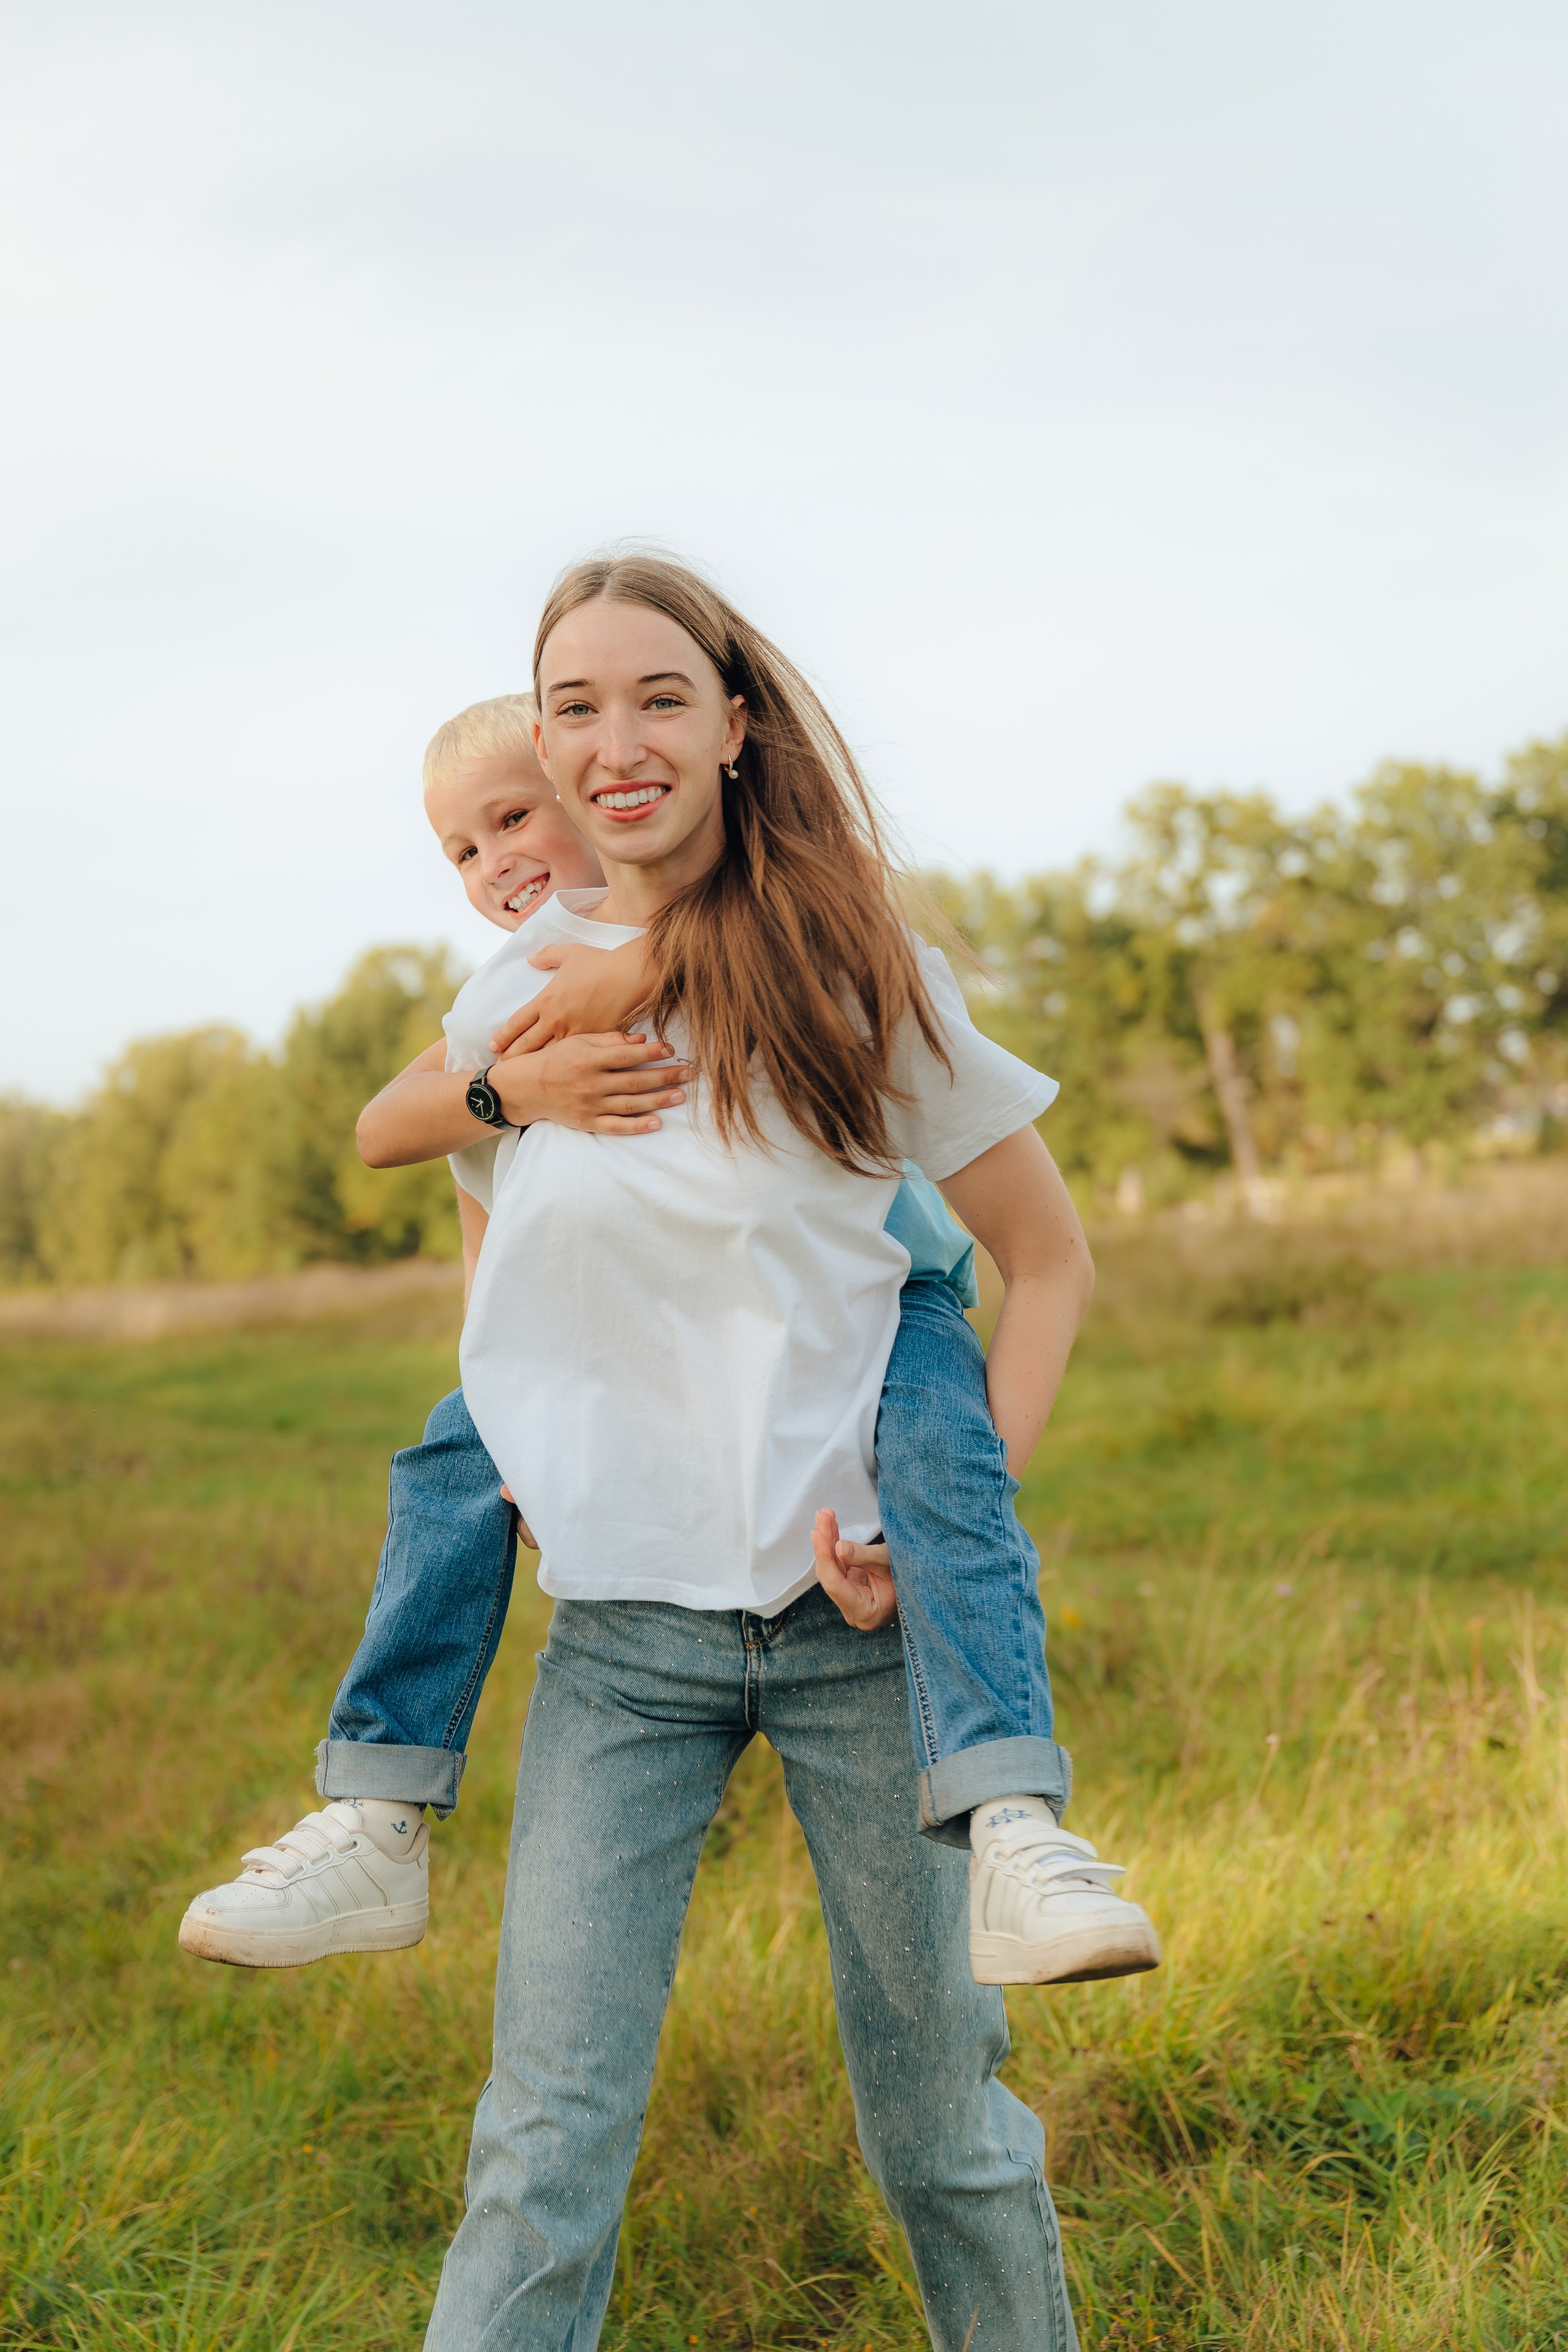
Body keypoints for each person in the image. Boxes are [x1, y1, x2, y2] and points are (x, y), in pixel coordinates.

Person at [178, 674, 1159, 1992]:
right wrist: (516, 1090)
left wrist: (648, 962)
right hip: (632, 1336)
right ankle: (378, 1805)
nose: (491, 862)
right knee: (450, 1463)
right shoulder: (517, 988)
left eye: (511, 818)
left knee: (947, 1464)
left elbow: (805, 921)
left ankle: (1011, 1814)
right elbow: (405, 1148)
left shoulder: (781, 916)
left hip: (886, 1294)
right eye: (460, 850)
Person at [423, 552, 1101, 2347]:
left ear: (735, 727)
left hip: (852, 1640)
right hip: (619, 1647)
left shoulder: (855, 974)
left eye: (660, 697)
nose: (616, 740)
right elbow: (482, 1250)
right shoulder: (515, 1007)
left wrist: (945, 1532)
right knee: (541, 2149)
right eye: (575, 707)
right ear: (543, 750)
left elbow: (1045, 1261)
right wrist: (522, 1451)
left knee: (946, 2133)